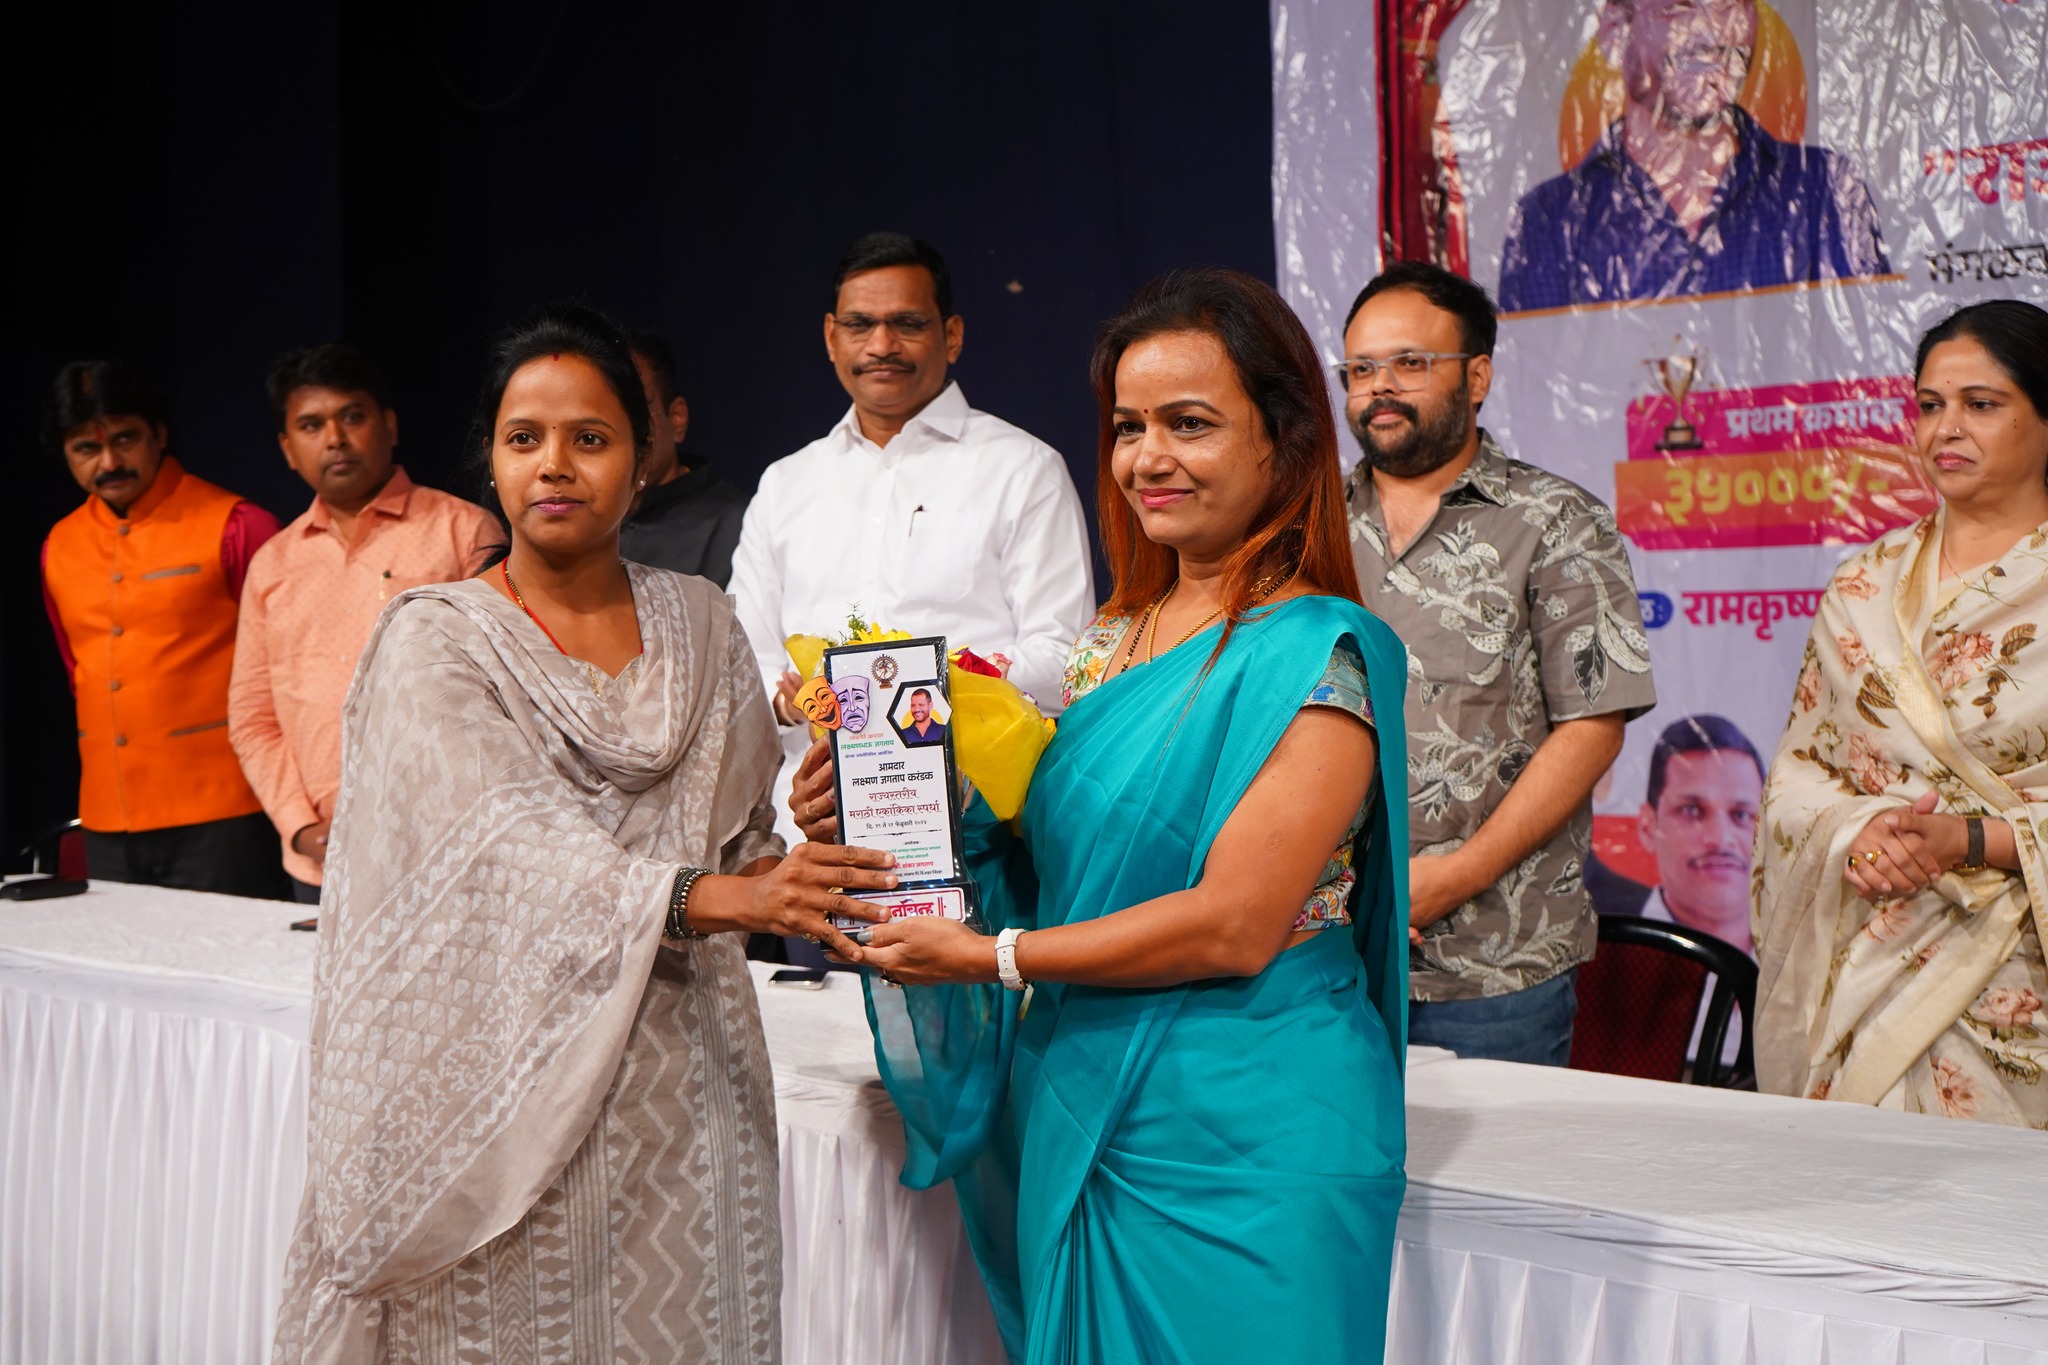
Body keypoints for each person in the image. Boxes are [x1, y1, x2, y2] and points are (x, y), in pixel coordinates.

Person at [793, 268, 1411, 1362]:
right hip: (1079, 1087)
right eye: (1129, 427)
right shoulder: (1108, 643)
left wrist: (992, 957)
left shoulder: (1321, 654)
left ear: (1282, 441)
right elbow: (1045, 860)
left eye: (1189, 424)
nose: (1146, 458)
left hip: (1252, 1127)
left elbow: (1236, 924)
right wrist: (885, 812)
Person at [272, 304, 895, 1361]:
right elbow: (507, 850)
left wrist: (812, 846)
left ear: (644, 460)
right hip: (505, 1092)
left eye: (590, 438)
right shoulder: (438, 640)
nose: (555, 464)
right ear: (490, 460)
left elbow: (738, 837)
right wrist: (728, 894)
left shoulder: (702, 621)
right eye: (525, 438)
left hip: (688, 1082)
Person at [1342, 261, 1657, 1065]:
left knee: (1489, 1157)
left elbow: (1592, 726)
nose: (1380, 388)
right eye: (1361, 369)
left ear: (1476, 376)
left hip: (1494, 960)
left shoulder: (1557, 520)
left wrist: (1452, 876)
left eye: (1410, 363)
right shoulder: (1308, 524)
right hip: (1324, 952)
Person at [1755, 300, 2048, 1127]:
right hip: (1875, 957)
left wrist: (1970, 840)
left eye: (1981, 404)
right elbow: (1801, 777)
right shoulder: (1863, 586)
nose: (1945, 428)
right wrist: (1864, 833)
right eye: (1929, 405)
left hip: (2023, 982)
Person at [728, 231, 1093, 846]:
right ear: (830, 336)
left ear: (952, 335)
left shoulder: (1023, 468)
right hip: (814, 831)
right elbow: (744, 667)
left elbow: (1065, 660)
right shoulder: (786, 484)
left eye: (907, 324)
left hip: (978, 827)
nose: (881, 345)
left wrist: (921, 681)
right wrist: (795, 702)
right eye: (859, 324)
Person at [229, 343, 497, 902]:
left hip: (444, 854)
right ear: (287, 449)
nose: (335, 438)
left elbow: (502, 699)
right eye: (311, 425)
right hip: (321, 863)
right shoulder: (273, 564)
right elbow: (253, 716)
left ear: (389, 425)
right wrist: (298, 825)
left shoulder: (463, 532)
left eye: (352, 416)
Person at [40, 359, 288, 898]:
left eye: (125, 439)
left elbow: (286, 673)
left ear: (159, 434)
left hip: (226, 815)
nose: (110, 462)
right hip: (107, 817)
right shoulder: (60, 545)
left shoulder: (237, 525)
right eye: (86, 448)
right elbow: (77, 670)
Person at [1497, 0, 1890, 312]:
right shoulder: (1549, 221)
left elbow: (1872, 362)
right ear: (1616, 32)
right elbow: (1535, 378)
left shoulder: (1825, 191)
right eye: (1679, 8)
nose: (1709, 34)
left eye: (1726, 5)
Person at [1595, 713, 1761, 954]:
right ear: (1648, 827)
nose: (1720, 839)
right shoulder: (1598, 952)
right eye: (1691, 810)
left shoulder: (1805, 953)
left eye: (1742, 815)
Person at [617, 329, 749, 585]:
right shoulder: (572, 518)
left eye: (636, 413)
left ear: (677, 418)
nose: (621, 432)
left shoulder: (737, 526)